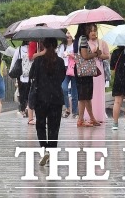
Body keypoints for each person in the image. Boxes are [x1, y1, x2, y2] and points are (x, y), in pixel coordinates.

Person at [29, 37, 66, 167]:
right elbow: (61, 78)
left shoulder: (38, 60)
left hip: (41, 98)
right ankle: (51, 152)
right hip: (56, 98)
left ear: (43, 45)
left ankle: (44, 148)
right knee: (54, 127)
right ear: (56, 46)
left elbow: (32, 76)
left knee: (40, 125)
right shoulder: (60, 61)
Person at [74, 23, 100, 127]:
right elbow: (85, 55)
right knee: (83, 96)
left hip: (80, 69)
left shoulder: (77, 40)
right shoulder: (83, 39)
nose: (91, 31)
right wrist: (96, 54)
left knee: (87, 96)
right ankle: (80, 119)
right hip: (85, 71)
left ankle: (92, 118)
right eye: (90, 29)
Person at [88, 23, 110, 124]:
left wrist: (100, 55)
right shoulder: (85, 43)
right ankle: (90, 115)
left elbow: (107, 56)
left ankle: (99, 115)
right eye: (91, 31)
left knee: (99, 92)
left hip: (99, 69)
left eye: (94, 30)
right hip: (89, 69)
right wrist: (93, 54)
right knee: (90, 92)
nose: (93, 33)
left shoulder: (102, 43)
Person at [58, 29, 78, 118]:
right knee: (64, 88)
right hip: (64, 69)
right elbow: (58, 57)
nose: (69, 35)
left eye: (70, 33)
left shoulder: (75, 45)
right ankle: (67, 108)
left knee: (74, 91)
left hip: (74, 68)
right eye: (67, 33)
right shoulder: (62, 46)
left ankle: (75, 111)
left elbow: (79, 57)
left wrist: (70, 55)